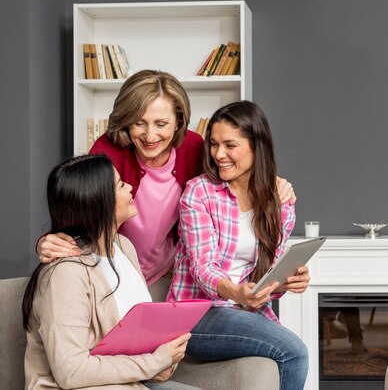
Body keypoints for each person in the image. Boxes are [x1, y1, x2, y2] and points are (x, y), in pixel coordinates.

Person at [36, 70, 295, 285]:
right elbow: (80, 204)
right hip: (115, 271)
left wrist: (272, 183)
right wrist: (49, 239)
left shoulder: (194, 147)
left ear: (179, 121)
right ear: (126, 122)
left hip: (168, 274)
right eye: (139, 123)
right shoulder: (108, 150)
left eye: (161, 124)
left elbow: (230, 176)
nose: (150, 136)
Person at [22, 154, 200, 390]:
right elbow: (71, 371)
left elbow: (138, 339)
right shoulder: (65, 274)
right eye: (119, 184)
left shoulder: (124, 247)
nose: (129, 187)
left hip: (126, 382)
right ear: (98, 202)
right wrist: (155, 361)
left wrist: (163, 362)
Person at [167, 101, 309, 390]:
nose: (219, 155)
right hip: (196, 315)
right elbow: (203, 267)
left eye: (230, 145)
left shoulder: (280, 202)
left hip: (246, 314)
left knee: (288, 353)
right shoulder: (199, 193)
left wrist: (287, 281)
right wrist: (237, 293)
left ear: (257, 146)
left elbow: (266, 276)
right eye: (214, 144)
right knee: (294, 351)